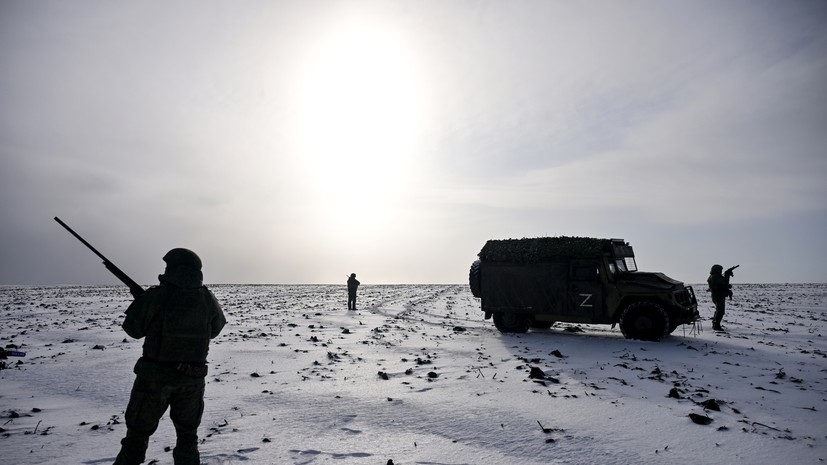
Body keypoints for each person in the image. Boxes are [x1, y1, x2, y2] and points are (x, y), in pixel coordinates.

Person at [113, 248, 226, 465]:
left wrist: (141, 303)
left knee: (136, 438)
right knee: (188, 438)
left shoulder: (158, 296)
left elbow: (132, 329)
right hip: (192, 382)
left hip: (154, 381)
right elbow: (216, 328)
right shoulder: (207, 298)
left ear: (175, 269)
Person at [707, 264, 734, 331]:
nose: (721, 271)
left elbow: (724, 283)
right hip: (718, 295)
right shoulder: (714, 277)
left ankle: (715, 323)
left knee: (719, 310)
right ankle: (716, 325)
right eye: (720, 270)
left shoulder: (716, 276)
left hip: (719, 295)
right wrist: (727, 275)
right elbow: (722, 284)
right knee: (720, 311)